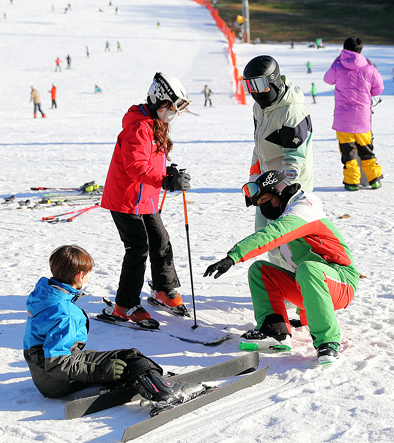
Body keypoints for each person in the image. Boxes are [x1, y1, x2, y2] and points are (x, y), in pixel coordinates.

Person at [203, 170, 358, 364]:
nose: (262, 207)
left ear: (279, 191)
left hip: (341, 281)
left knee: (309, 269)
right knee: (260, 271)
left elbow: (272, 234)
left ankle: (328, 341)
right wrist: (306, 315)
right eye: (258, 204)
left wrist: (234, 256)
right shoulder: (288, 212)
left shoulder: (303, 209)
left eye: (264, 200)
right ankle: (275, 332)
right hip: (314, 282)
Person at [23, 244, 204, 403]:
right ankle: (164, 392)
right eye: (87, 273)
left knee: (116, 362)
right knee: (130, 357)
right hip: (56, 380)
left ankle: (141, 378)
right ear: (80, 276)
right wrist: (99, 370)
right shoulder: (66, 313)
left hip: (43, 377)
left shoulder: (45, 296)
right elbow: (57, 362)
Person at [100, 73, 193, 322]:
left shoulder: (154, 123)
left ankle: (163, 288)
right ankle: (125, 305)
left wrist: (169, 172)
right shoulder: (139, 126)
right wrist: (164, 180)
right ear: (157, 101)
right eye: (170, 108)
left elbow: (152, 160)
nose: (173, 114)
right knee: (138, 248)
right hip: (126, 199)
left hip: (146, 198)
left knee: (160, 241)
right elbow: (135, 166)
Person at [242, 55, 314, 253]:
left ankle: (296, 280)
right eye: (249, 86)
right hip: (266, 184)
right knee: (264, 236)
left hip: (288, 188)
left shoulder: (292, 111)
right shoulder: (260, 108)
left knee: (287, 242)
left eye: (258, 84)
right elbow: (259, 147)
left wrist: (283, 193)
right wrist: (254, 181)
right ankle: (278, 280)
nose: (254, 92)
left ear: (273, 80)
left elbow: (294, 160)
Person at [324, 36, 385, 191]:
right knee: (366, 151)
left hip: (343, 120)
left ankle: (352, 182)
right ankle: (374, 179)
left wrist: (337, 60)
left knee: (348, 153)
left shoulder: (338, 66)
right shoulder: (369, 68)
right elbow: (378, 89)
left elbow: (328, 79)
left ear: (344, 49)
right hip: (363, 119)